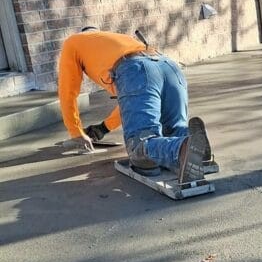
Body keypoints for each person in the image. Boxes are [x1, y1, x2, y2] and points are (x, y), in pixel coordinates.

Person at [57, 28, 211, 182]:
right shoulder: (118, 40)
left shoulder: (73, 41)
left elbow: (67, 92)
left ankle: (181, 148)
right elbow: (129, 104)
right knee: (172, 131)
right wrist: (103, 128)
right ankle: (194, 145)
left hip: (137, 70)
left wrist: (76, 132)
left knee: (140, 146)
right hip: (170, 67)